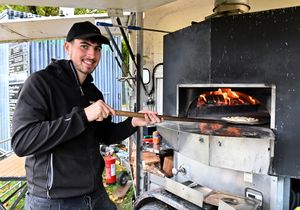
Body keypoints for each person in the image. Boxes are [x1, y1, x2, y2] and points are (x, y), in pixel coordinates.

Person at [11, 21, 161, 210]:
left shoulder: (92, 92)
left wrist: (133, 122)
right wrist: (83, 116)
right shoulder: (41, 83)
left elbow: (106, 135)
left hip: (94, 194)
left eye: (97, 49)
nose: (92, 55)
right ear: (67, 47)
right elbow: (22, 142)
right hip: (53, 201)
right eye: (84, 46)